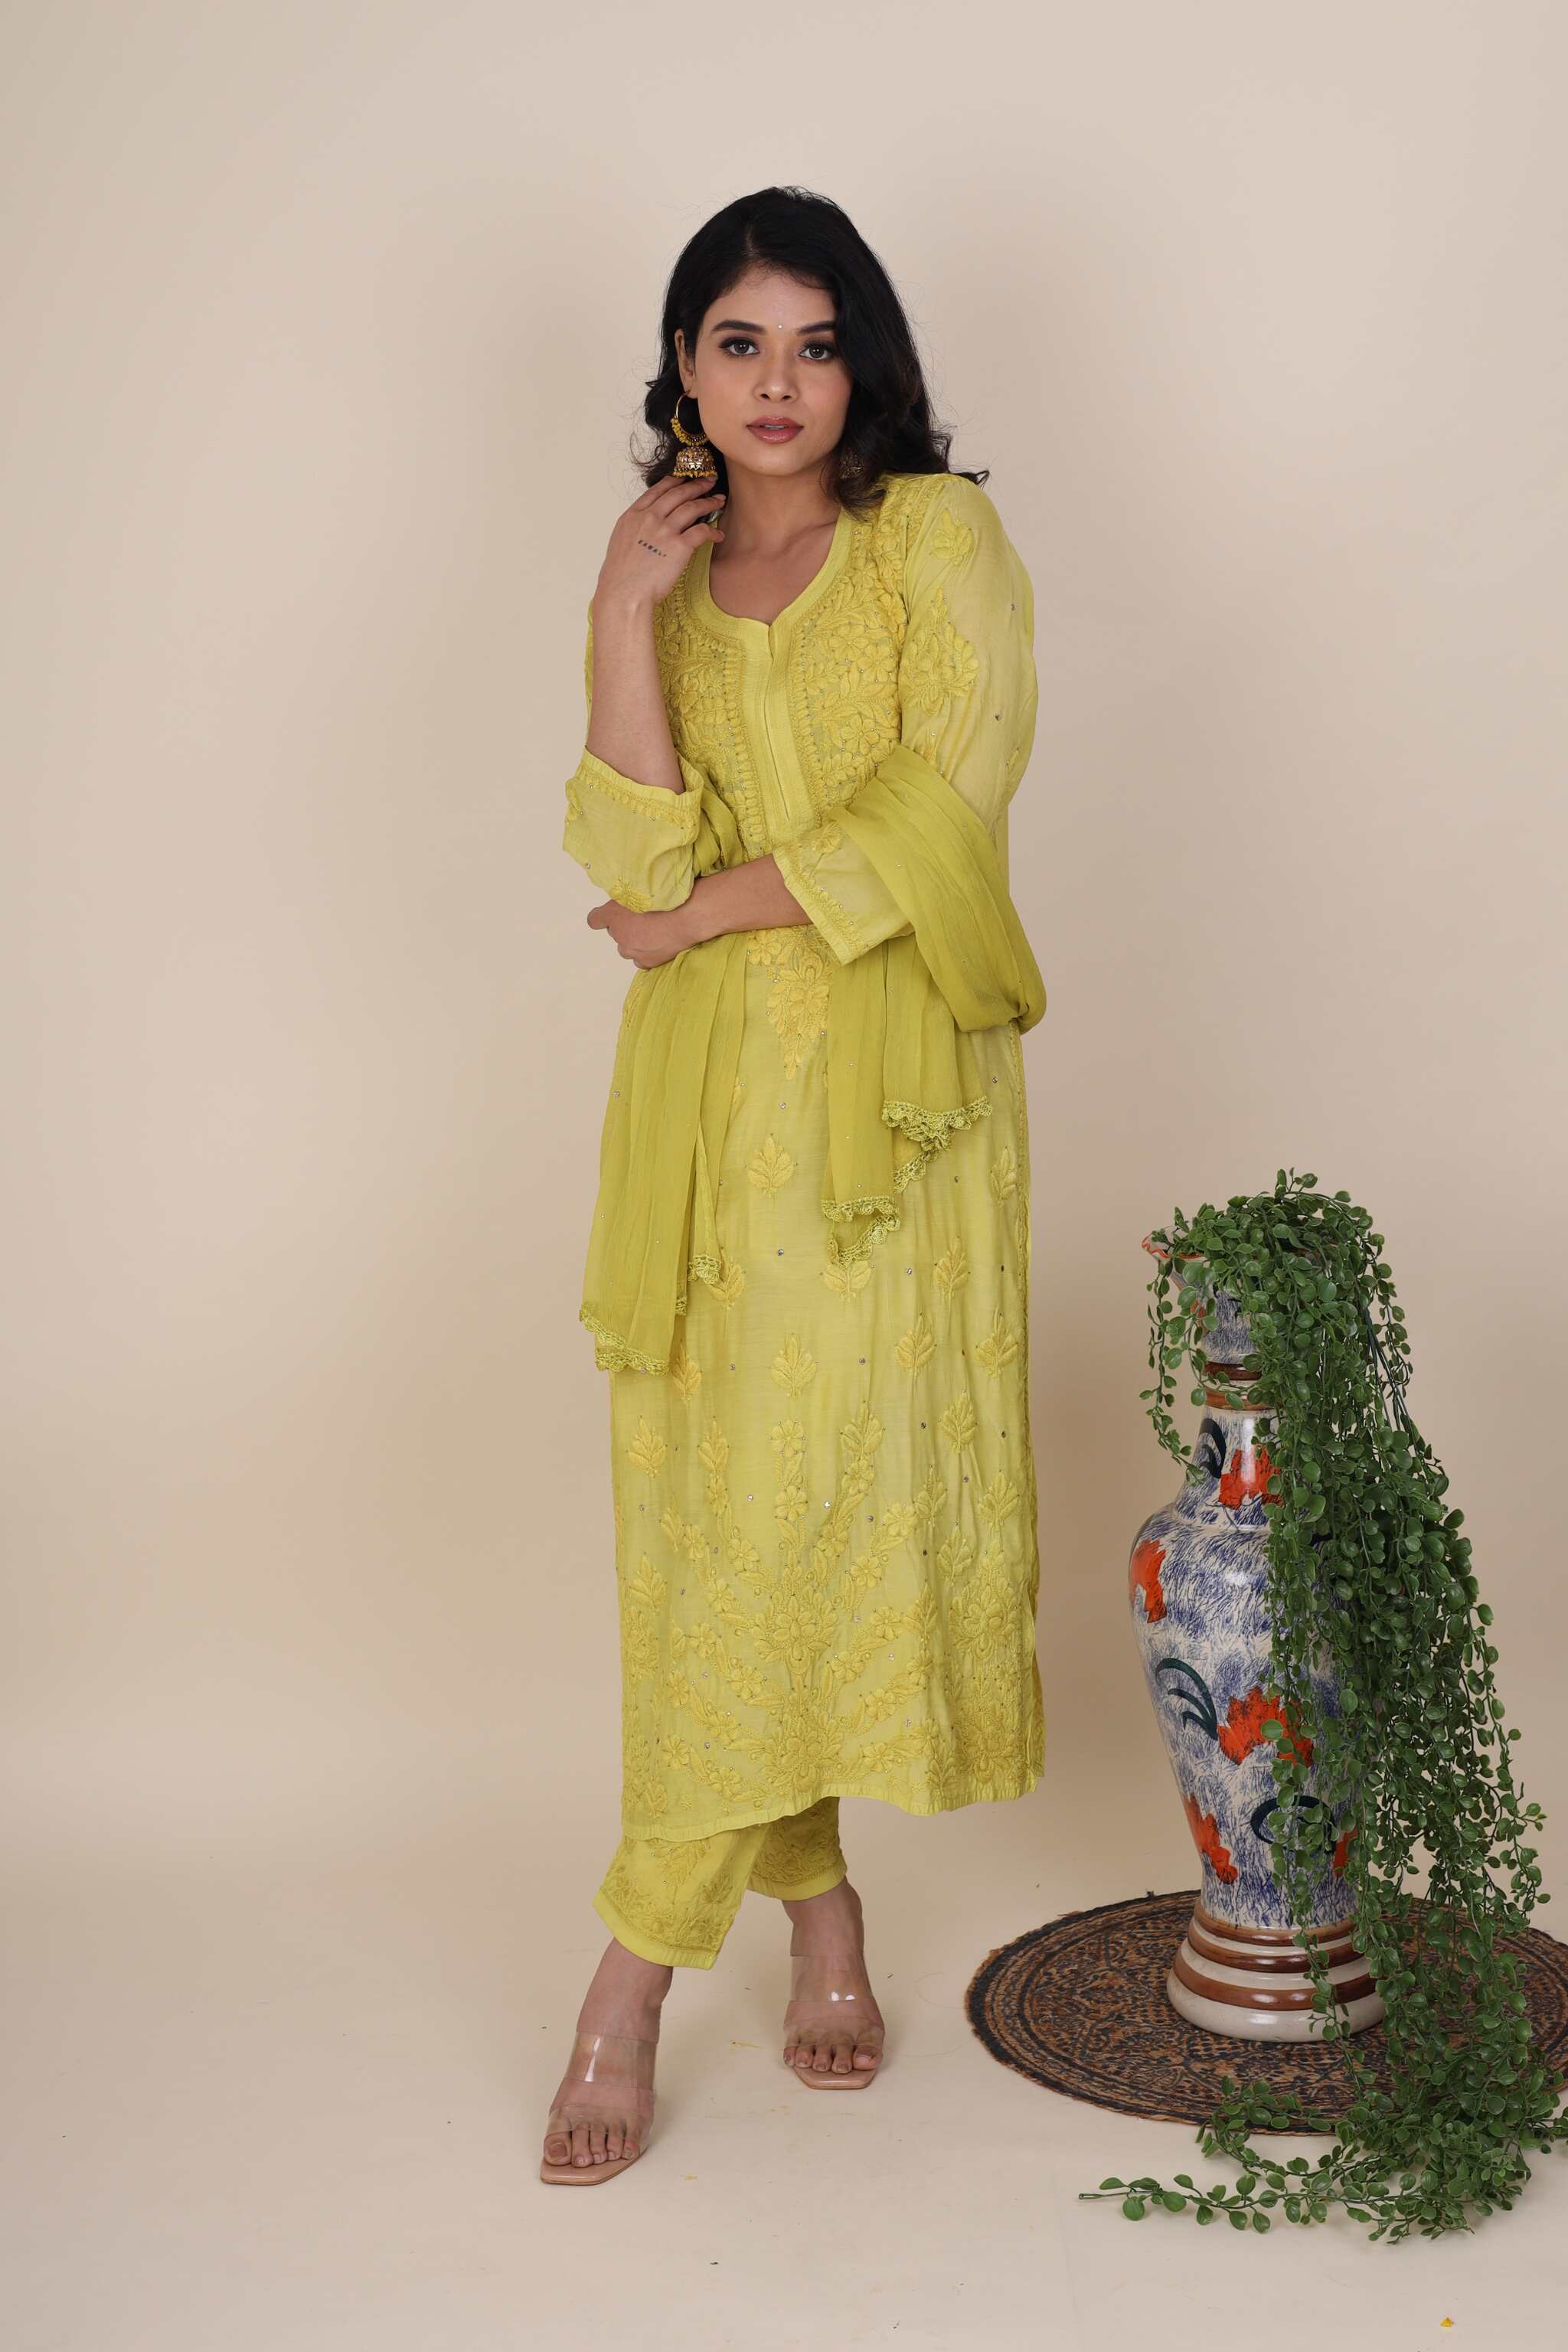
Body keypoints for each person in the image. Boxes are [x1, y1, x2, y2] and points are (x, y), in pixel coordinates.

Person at [544, 185, 1048, 2184]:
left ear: (869, 366)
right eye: (737, 341)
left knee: (795, 1517)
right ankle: (819, 1916)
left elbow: (949, 797)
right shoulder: (658, 581)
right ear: (681, 363)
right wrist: (607, 614)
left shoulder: (938, 540)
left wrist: (704, 921)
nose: (778, 382)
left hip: (893, 1116)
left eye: (816, 342)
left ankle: (623, 1988)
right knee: (717, 1533)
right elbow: (625, 852)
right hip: (703, 1123)